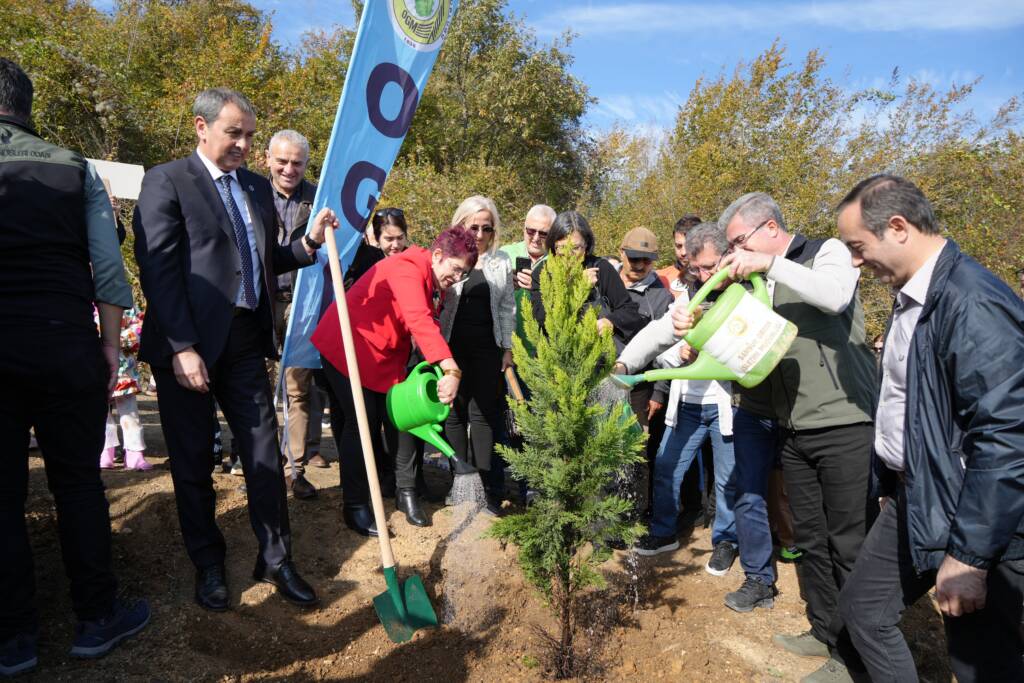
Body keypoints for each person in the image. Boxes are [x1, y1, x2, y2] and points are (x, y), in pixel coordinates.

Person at [133, 87, 332, 611]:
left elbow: (263, 261)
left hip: (245, 341)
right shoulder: (167, 181)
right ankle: (209, 566)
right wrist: (182, 346)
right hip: (189, 345)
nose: (244, 144)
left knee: (264, 453)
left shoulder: (255, 189)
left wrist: (307, 245)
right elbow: (159, 269)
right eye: (234, 133)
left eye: (249, 135)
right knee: (194, 459)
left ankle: (276, 558)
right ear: (201, 127)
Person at [835, 175, 1024, 683]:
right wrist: (890, 479)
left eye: (858, 247)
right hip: (916, 495)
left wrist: (969, 556)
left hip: (976, 514)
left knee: (982, 661)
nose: (855, 261)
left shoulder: (972, 302)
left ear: (897, 227)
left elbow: (1007, 438)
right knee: (864, 611)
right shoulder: (911, 295)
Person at [0, 58, 149, 675]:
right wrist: (110, 346)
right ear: (28, 104)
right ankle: (96, 616)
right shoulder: (73, 167)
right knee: (78, 485)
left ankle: (14, 638)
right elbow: (108, 272)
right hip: (65, 342)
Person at [718, 192, 876, 677]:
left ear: (768, 228)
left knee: (849, 543)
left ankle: (859, 655)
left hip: (844, 423)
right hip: (793, 428)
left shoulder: (825, 251)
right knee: (810, 537)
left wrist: (767, 264)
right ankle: (826, 632)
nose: (736, 255)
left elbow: (833, 296)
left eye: (739, 242)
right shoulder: (758, 280)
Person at [311, 227, 476, 536]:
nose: (457, 277)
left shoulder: (433, 280)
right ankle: (356, 505)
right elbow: (418, 319)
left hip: (382, 356)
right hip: (347, 346)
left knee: (393, 420)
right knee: (361, 425)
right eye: (456, 268)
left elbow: (421, 322)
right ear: (438, 255)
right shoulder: (407, 268)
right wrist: (451, 369)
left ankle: (394, 485)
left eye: (463, 273)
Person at [617, 223, 739, 577]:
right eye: (696, 268)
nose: (703, 274)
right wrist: (632, 363)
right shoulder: (689, 301)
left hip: (725, 405)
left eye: (710, 267)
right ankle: (663, 532)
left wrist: (708, 351)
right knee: (668, 465)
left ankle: (726, 541)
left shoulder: (742, 297)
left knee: (728, 477)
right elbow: (661, 343)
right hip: (688, 404)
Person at [440, 196, 516, 514]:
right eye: (475, 226)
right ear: (461, 224)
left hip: (488, 349)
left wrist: (508, 348)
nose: (481, 234)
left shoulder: (500, 263)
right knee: (454, 415)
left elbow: (507, 307)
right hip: (451, 349)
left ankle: (487, 489)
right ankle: (460, 483)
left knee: (484, 416)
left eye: (487, 227)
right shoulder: (448, 256)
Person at [266, 129, 322, 499]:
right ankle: (264, 465)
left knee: (298, 390)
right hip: (261, 302)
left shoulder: (319, 198)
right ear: (268, 160)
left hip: (303, 303)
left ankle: (295, 469)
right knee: (258, 387)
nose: (289, 169)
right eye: (282, 161)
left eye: (297, 162)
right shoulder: (250, 193)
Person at [615, 226, 674, 516]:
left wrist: (659, 392)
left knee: (636, 452)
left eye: (646, 260)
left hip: (642, 387)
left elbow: (666, 351)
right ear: (621, 253)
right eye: (633, 258)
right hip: (602, 380)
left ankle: (634, 516)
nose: (638, 266)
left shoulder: (663, 298)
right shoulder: (601, 285)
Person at [531, 211, 643, 352]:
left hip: (597, 356)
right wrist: (577, 288)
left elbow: (630, 311)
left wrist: (611, 322)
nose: (569, 255)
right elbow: (541, 318)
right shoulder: (542, 273)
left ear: (587, 245)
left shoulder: (601, 268)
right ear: (553, 245)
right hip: (554, 356)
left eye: (576, 248)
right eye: (563, 247)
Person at [99, 305, 151, 471]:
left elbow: (138, 327)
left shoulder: (123, 302)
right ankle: (105, 450)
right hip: (95, 367)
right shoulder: (85, 302)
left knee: (129, 413)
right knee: (100, 414)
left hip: (124, 371)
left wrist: (115, 339)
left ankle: (134, 452)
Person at [656, 214, 702, 297]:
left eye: (689, 245)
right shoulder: (660, 278)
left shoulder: (716, 274)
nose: (683, 253)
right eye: (679, 246)